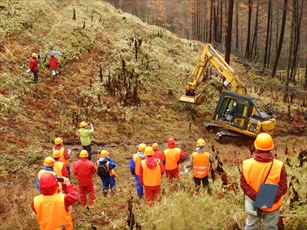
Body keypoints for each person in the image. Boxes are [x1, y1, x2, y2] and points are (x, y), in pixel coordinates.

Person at [240, 133, 287, 230]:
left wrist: (258, 200)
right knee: (270, 227)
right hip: (272, 206)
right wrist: (268, 201)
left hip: (253, 204)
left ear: (255, 145)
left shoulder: (247, 164)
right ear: (271, 147)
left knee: (251, 227)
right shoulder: (279, 166)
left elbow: (243, 185)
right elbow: (283, 188)